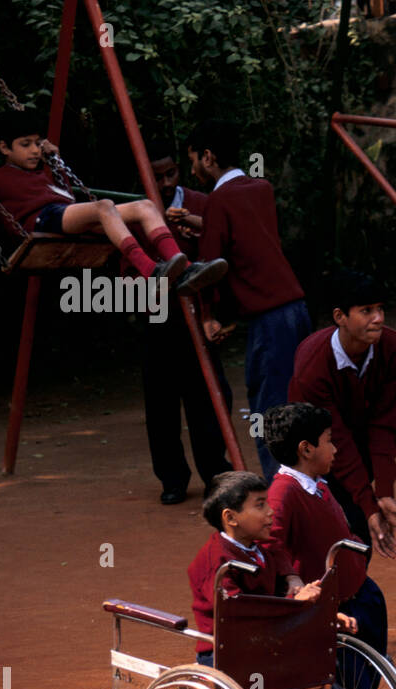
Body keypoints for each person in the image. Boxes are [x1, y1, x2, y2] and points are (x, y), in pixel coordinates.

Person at [261, 403, 396, 689]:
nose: (336, 449)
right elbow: (270, 542)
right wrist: (293, 582)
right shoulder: (283, 492)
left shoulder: (317, 482)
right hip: (332, 613)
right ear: (306, 448)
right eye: (329, 441)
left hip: (362, 598)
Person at [0, 111, 224, 291]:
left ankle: (186, 270)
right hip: (41, 222)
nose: (33, 150)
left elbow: (66, 194)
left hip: (64, 215)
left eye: (36, 143)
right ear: (5, 148)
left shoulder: (43, 172)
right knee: (104, 207)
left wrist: (55, 162)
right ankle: (151, 269)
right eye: (25, 144)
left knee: (145, 206)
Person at [186, 119, 313, 478]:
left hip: (269, 320)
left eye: (194, 159)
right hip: (296, 309)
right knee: (298, 403)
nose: (193, 168)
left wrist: (209, 316)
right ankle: (309, 485)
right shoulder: (261, 189)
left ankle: (281, 489)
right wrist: (203, 223)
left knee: (268, 410)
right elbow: (248, 239)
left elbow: (209, 268)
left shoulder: (218, 201)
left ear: (208, 157)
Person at [287, 270, 396, 559]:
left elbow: (385, 424)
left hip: (355, 443)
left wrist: (383, 492)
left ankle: (349, 597)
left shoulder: (395, 349)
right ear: (339, 317)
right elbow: (336, 439)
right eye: (366, 311)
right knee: (329, 535)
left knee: (359, 538)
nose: (378, 318)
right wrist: (368, 506)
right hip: (312, 449)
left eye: (380, 309)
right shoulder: (313, 365)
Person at [138, 143, 232, 505]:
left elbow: (218, 259)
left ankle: (216, 471)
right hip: (158, 317)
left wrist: (212, 315)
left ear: (179, 170)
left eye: (170, 174)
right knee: (160, 403)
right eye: (156, 176)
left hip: (196, 315)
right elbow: (126, 269)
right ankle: (173, 479)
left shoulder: (200, 202)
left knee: (209, 395)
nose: (163, 183)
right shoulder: (136, 213)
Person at [186, 470, 316, 664]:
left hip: (260, 640)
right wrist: (295, 602)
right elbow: (238, 611)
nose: (271, 511)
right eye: (260, 505)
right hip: (226, 653)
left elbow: (277, 586)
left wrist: (317, 615)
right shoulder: (216, 563)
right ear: (230, 518)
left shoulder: (260, 550)